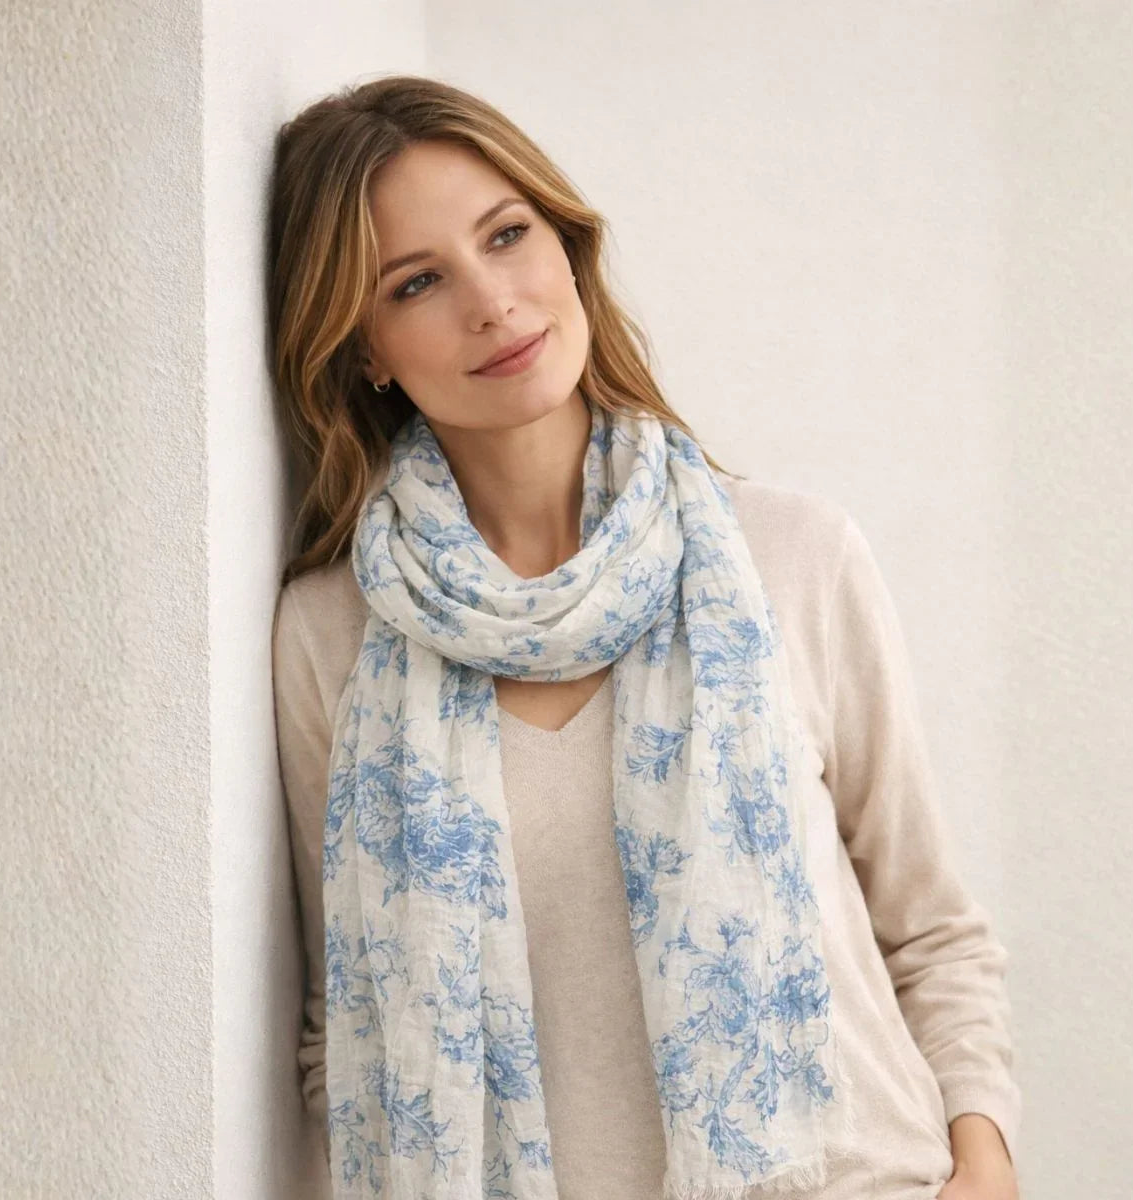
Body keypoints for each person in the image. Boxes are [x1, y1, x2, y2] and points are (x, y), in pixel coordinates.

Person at [267, 74, 1021, 1200]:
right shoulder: (337, 635)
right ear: (365, 348)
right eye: (418, 282)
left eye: (508, 236)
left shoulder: (794, 559)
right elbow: (349, 1020)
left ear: (566, 249)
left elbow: (932, 931)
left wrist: (987, 1169)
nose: (492, 302)